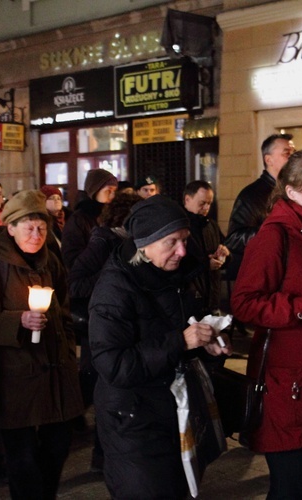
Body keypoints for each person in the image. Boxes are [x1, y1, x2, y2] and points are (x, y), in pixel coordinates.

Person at [89, 195, 231, 499]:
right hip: (131, 420)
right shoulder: (115, 288)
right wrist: (180, 340)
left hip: (174, 411)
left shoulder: (177, 273)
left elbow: (182, 322)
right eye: (171, 242)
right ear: (144, 244)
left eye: (185, 239)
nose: (182, 251)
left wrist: (206, 340)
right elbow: (113, 364)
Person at [230, 149, 302, 499]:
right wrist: (300, 308)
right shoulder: (275, 236)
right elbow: (244, 302)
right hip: (289, 388)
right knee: (290, 489)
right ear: (291, 191)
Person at [0, 190, 84, 499]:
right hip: (14, 379)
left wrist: (68, 349)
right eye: (29, 227)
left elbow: (64, 310)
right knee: (22, 460)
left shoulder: (51, 262)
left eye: (42, 228)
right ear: (11, 228)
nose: (36, 234)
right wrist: (18, 321)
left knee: (58, 447)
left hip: (55, 374)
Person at [67, 191, 143, 472]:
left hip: (119, 326)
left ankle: (101, 453)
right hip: (99, 328)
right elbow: (74, 282)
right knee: (101, 388)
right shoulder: (103, 240)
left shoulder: (131, 243)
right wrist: (112, 275)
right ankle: (96, 451)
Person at [224, 133, 294, 281]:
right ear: (269, 160)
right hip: (263, 275)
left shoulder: (293, 191)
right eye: (287, 153)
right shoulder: (251, 195)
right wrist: (274, 233)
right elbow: (234, 239)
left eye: (293, 153)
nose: (293, 158)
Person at [182, 180, 229, 314]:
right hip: (191, 299)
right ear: (187, 199)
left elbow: (223, 246)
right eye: (202, 203)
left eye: (209, 203)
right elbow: (182, 264)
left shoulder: (211, 224)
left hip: (212, 296)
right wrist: (205, 265)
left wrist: (225, 254)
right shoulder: (181, 227)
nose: (206, 208)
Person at [61, 169, 118, 269]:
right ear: (94, 191)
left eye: (114, 191)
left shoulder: (112, 215)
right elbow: (72, 259)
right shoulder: (78, 220)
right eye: (108, 190)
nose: (112, 195)